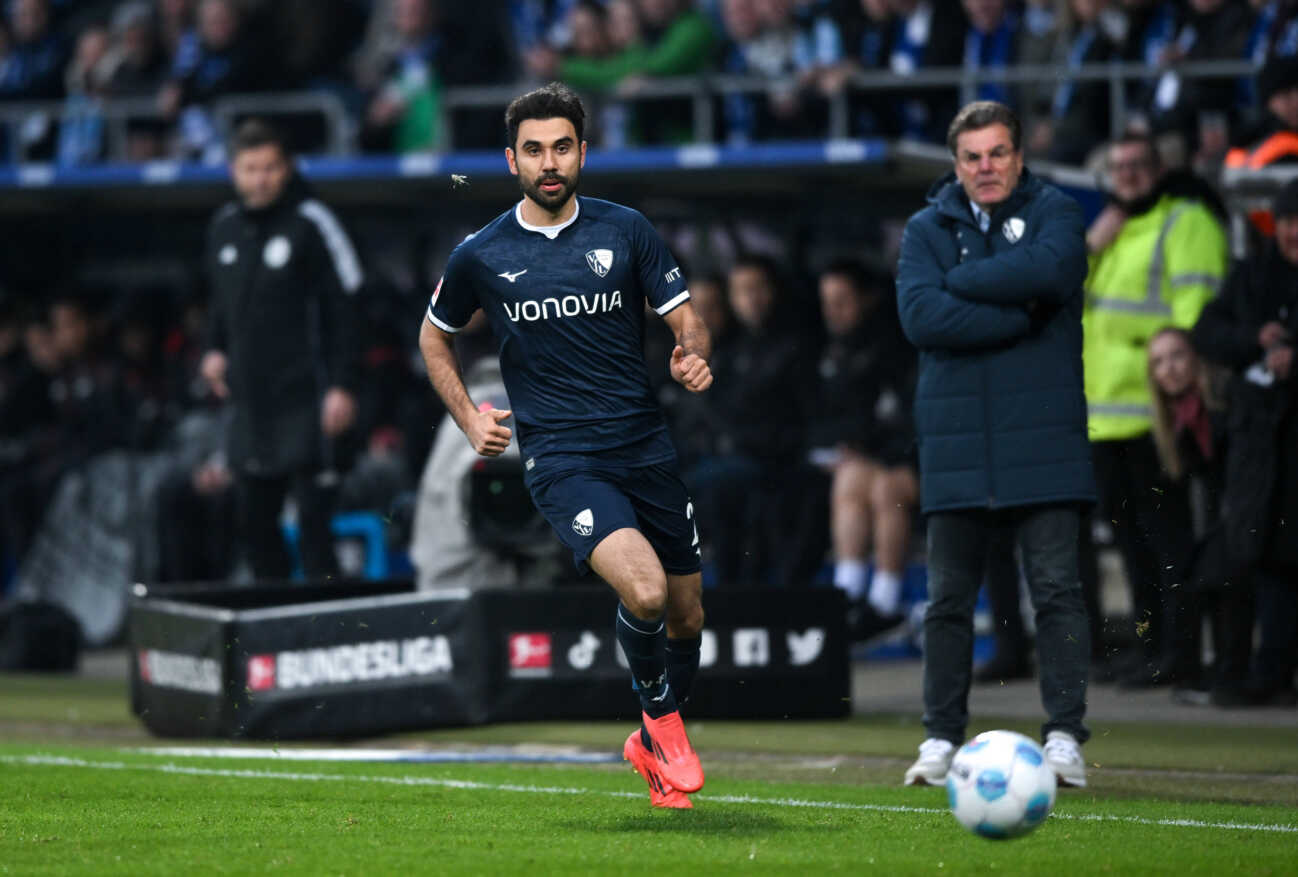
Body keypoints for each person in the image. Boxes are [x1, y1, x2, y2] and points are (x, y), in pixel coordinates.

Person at [417, 82, 712, 809]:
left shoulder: (627, 230)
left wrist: (690, 351)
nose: (549, 162)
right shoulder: (481, 253)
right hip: (562, 458)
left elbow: (685, 317)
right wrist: (466, 418)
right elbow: (434, 337)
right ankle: (659, 718)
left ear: (582, 150)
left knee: (687, 614)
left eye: (562, 146)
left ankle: (649, 744)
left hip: (644, 447)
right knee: (642, 590)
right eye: (534, 149)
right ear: (511, 159)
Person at [895, 100, 1094, 789]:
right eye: (973, 156)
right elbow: (920, 315)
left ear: (1019, 155)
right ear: (956, 164)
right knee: (948, 602)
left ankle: (1066, 735)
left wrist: (962, 286)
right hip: (955, 445)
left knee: (1058, 592)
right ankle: (940, 738)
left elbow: (1052, 272)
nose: (986, 167)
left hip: (1043, 435)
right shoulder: (925, 228)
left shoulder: (1057, 213)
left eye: (998, 153)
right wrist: (1019, 316)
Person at [1083, 132, 1227, 687]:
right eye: (1119, 167)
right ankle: (1149, 649)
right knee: (1131, 544)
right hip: (1103, 418)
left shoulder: (1184, 221)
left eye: (1140, 165)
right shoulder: (1111, 233)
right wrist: (1091, 246)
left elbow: (1193, 321)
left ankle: (1180, 651)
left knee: (1169, 544)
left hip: (1156, 418)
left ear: (1160, 169)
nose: (1130, 175)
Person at [200, 119, 364, 581]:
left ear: (287, 168)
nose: (261, 178)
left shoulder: (314, 223)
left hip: (310, 401)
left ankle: (329, 637)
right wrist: (213, 350)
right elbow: (220, 305)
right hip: (252, 407)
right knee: (254, 525)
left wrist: (343, 385)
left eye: (271, 167)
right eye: (251, 168)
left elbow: (348, 307)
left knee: (314, 528)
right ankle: (269, 641)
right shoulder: (223, 228)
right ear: (234, 170)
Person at [1192, 178, 1298, 707]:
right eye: (1287, 221)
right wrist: (1252, 341)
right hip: (1261, 445)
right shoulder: (1254, 277)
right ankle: (1267, 670)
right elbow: (1206, 331)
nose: (1293, 232)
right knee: (1269, 555)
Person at [1143, 327, 1254, 707]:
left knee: (1222, 574)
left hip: (1256, 508)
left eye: (1176, 356)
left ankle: (1233, 676)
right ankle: (1222, 672)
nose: (1169, 369)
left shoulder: (1226, 397)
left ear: (1195, 359)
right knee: (1203, 574)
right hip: (1234, 512)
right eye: (1158, 362)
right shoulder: (1182, 417)